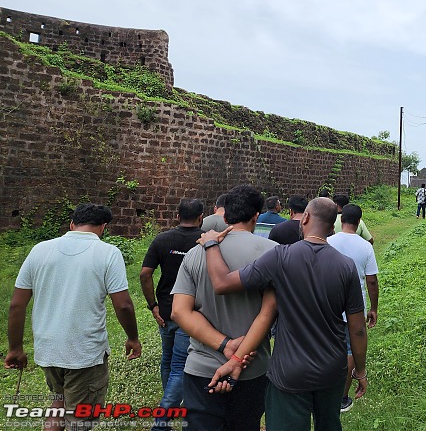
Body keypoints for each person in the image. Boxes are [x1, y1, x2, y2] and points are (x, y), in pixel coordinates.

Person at [200, 197, 368, 431]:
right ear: (331, 228)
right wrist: (359, 371)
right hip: (332, 370)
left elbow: (222, 283)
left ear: (305, 217)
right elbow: (357, 328)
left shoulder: (281, 257)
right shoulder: (346, 266)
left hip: (289, 372)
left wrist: (210, 244)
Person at [5, 204, 141, 431]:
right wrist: (133, 338)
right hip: (84, 353)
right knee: (79, 420)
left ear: (71, 225)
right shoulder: (108, 253)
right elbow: (124, 305)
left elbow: (17, 304)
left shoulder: (39, 250)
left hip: (48, 349)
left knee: (58, 402)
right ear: (103, 228)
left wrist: (16, 348)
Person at [171, 184, 279, 431]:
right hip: (252, 367)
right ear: (256, 216)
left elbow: (179, 311)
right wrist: (237, 354)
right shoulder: (274, 253)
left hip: (201, 366)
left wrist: (223, 344)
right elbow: (270, 311)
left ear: (225, 215)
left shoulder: (196, 253)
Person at [140, 198, 205, 430]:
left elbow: (145, 274)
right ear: (200, 217)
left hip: (165, 311)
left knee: (168, 361)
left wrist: (153, 305)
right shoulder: (206, 240)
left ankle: (169, 408)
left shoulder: (162, 239)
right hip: (191, 312)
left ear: (177, 216)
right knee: (179, 365)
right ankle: (162, 419)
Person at [327, 203, 378, 412]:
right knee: (349, 350)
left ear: (341, 220)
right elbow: (372, 281)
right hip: (353, 308)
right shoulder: (366, 247)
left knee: (327, 347)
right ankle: (342, 397)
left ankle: (321, 392)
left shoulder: (327, 241)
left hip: (327, 305)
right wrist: (373, 308)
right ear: (359, 223)